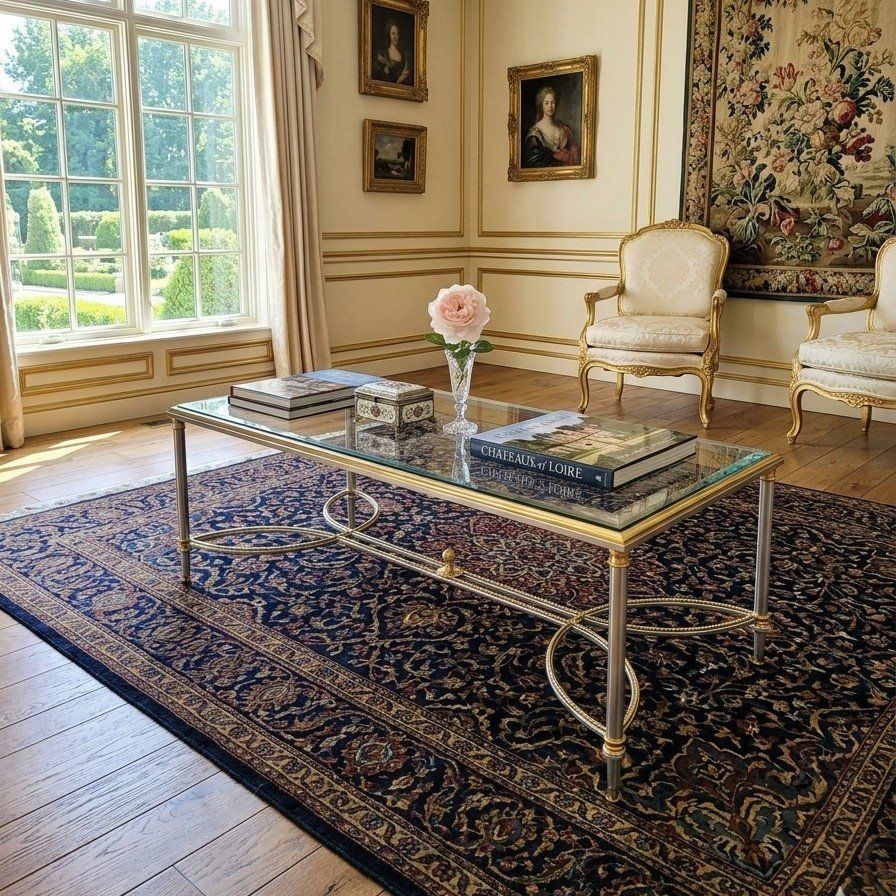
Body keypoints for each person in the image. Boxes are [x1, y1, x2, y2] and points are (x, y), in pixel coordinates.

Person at [523, 85, 580, 167]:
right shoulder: (535, 133)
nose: (550, 106)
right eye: (546, 103)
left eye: (553, 102)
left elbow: (574, 155)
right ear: (541, 105)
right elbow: (534, 162)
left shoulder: (564, 129)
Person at [373, 18, 412, 84]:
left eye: (397, 34)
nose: (395, 36)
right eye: (393, 33)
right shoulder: (383, 53)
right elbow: (379, 77)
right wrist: (398, 81)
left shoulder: (405, 55)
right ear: (389, 34)